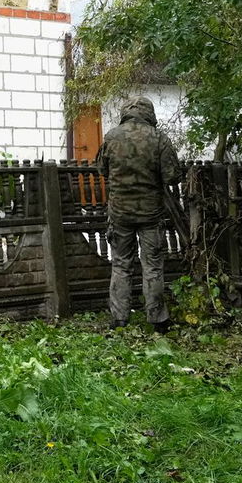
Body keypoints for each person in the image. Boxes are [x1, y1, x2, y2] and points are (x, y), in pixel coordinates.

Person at [99, 98, 183, 333]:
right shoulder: (159, 138)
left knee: (120, 265)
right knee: (152, 266)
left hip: (120, 214)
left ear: (125, 112)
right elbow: (172, 177)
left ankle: (119, 319)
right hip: (150, 214)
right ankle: (158, 320)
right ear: (149, 113)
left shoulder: (111, 137)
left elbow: (102, 169)